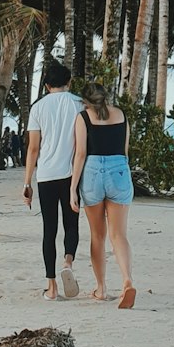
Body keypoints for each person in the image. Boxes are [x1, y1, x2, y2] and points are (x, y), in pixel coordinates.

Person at [70, 80, 136, 309]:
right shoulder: (121, 115)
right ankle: (127, 280)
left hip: (92, 172)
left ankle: (101, 288)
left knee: (98, 236)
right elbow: (125, 150)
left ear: (85, 101)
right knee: (119, 235)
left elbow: (80, 154)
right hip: (119, 169)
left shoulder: (83, 117)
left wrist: (72, 188)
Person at [24, 60, 83, 300]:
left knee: (49, 230)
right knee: (72, 224)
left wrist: (27, 182)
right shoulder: (80, 104)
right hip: (72, 175)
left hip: (46, 176)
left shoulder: (38, 107)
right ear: (69, 82)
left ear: (47, 85)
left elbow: (33, 149)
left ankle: (52, 287)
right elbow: (83, 144)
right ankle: (68, 263)